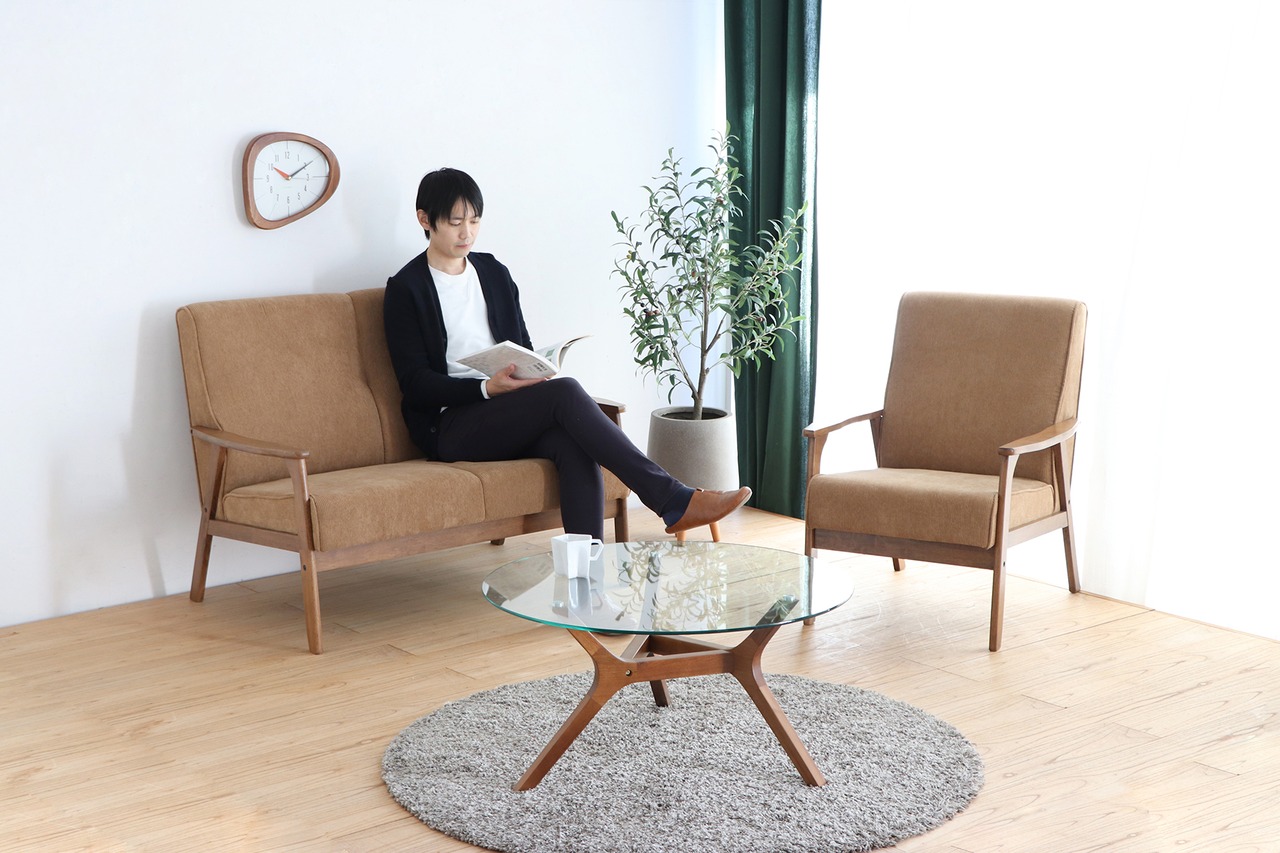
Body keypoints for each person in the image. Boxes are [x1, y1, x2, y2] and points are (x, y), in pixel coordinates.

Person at [383, 167, 751, 540]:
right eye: (455, 222)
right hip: (451, 425)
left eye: (475, 221)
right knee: (566, 391)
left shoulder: (493, 273)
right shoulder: (406, 289)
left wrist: (532, 368)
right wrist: (485, 388)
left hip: (506, 410)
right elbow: (415, 384)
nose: (467, 233)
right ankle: (673, 498)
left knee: (573, 442)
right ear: (425, 220)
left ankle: (586, 568)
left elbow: (520, 346)